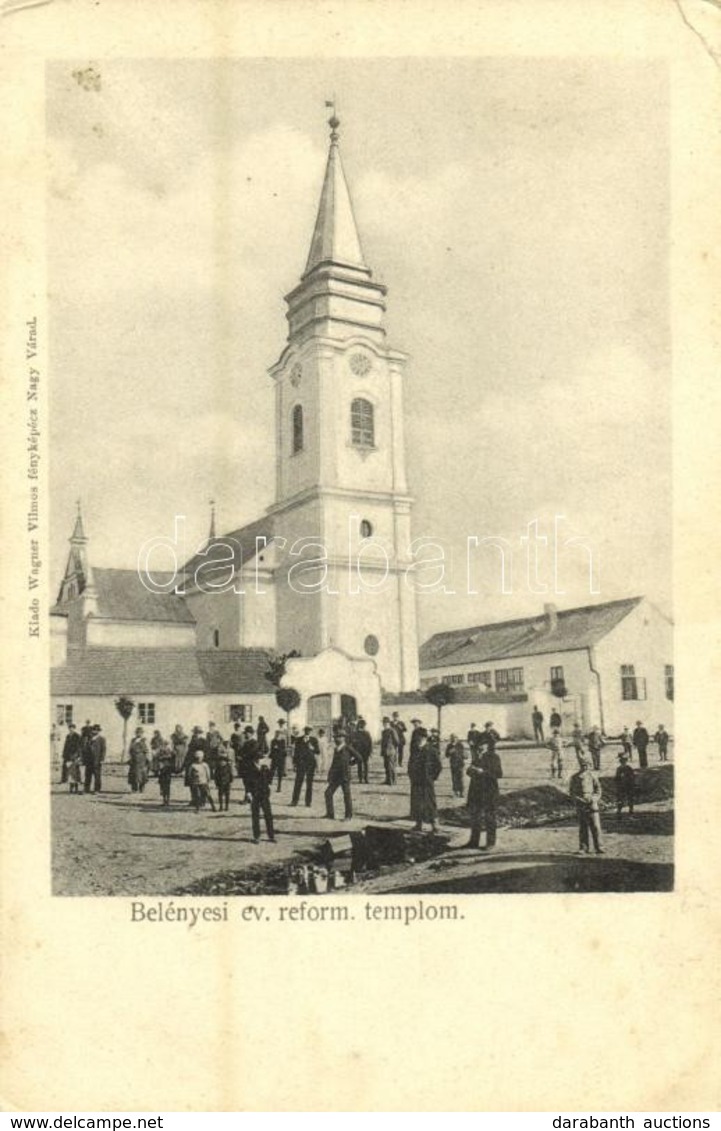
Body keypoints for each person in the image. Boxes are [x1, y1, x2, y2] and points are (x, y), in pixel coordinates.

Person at [407, 728, 442, 832]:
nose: (418, 740)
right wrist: (411, 775)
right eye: (416, 738)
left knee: (430, 803)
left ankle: (435, 824)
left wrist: (432, 777)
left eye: (420, 738)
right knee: (416, 803)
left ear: (425, 738)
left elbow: (438, 766)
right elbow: (410, 764)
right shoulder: (414, 750)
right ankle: (419, 823)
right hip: (416, 782)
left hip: (427, 782)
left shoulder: (431, 750)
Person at [569, 756, 604, 854]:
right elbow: (572, 792)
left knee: (596, 826)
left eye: (586, 765)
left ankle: (599, 846)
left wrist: (594, 798)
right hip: (581, 804)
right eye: (583, 765)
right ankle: (583, 847)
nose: (584, 767)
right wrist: (578, 799)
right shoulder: (575, 778)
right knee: (583, 826)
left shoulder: (592, 776)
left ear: (589, 766)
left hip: (592, 803)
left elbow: (598, 790)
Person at [325, 731, 358, 820]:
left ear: (343, 738)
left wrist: (349, 763)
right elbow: (334, 763)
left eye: (339, 737)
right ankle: (330, 814)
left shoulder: (348, 748)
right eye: (335, 737)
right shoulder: (336, 749)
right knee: (328, 793)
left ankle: (348, 816)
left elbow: (359, 758)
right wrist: (330, 774)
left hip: (345, 776)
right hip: (336, 776)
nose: (336, 739)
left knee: (346, 795)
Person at [245, 746, 275, 842]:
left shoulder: (264, 767)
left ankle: (271, 836)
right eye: (257, 758)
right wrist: (248, 793)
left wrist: (269, 769)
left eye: (260, 758)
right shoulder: (249, 768)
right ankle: (256, 836)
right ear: (253, 759)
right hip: (255, 794)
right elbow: (247, 782)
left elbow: (270, 780)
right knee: (255, 816)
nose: (259, 760)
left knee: (268, 815)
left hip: (264, 794)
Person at [290, 727, 319, 807]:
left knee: (309, 783)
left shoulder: (314, 740)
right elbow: (296, 752)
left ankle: (308, 802)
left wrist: (312, 748)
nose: (307, 732)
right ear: (304, 731)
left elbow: (318, 751)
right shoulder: (299, 740)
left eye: (309, 730)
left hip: (310, 764)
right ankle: (294, 801)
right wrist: (294, 764)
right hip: (301, 763)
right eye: (306, 730)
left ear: (311, 731)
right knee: (298, 782)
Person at [128, 727, 150, 793]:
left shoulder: (144, 740)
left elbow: (148, 750)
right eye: (137, 732)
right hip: (134, 759)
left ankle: (141, 787)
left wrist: (148, 758)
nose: (139, 734)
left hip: (142, 759)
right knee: (133, 774)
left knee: (142, 774)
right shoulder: (133, 740)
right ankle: (134, 788)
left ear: (142, 733)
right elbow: (130, 749)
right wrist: (130, 757)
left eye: (140, 732)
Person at [269, 721, 288, 793]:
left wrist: (278, 748)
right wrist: (273, 751)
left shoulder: (282, 741)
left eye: (279, 734)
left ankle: (279, 786)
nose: (277, 735)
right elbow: (271, 749)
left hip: (281, 758)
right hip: (274, 758)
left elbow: (284, 750)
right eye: (276, 734)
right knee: (272, 770)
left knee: (280, 772)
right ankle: (269, 781)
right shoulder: (273, 741)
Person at [86, 725, 106, 793]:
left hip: (97, 760)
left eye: (96, 730)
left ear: (99, 731)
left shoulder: (101, 739)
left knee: (97, 775)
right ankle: (87, 789)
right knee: (88, 775)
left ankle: (97, 789)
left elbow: (103, 750)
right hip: (89, 760)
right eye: (93, 730)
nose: (94, 731)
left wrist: (102, 759)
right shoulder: (89, 738)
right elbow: (86, 749)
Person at [352, 718, 372, 784]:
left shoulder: (367, 733)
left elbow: (370, 743)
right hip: (359, 752)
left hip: (365, 752)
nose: (363, 727)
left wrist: (370, 751)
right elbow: (354, 743)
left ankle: (365, 779)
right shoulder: (356, 733)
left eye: (363, 725)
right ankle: (362, 779)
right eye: (362, 725)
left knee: (364, 766)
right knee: (361, 765)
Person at [615, 752, 635, 816]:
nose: (622, 762)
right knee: (621, 798)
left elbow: (632, 777)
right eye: (621, 761)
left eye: (623, 761)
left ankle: (630, 810)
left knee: (629, 798)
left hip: (627, 785)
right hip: (622, 786)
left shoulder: (628, 768)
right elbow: (617, 778)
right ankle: (620, 811)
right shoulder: (619, 769)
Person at [380, 717, 399, 786]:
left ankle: (393, 781)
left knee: (391, 766)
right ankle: (388, 780)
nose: (384, 724)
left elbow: (397, 741)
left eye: (385, 723)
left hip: (391, 751)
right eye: (383, 723)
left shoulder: (392, 731)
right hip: (385, 751)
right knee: (386, 766)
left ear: (388, 723)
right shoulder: (383, 732)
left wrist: (392, 748)